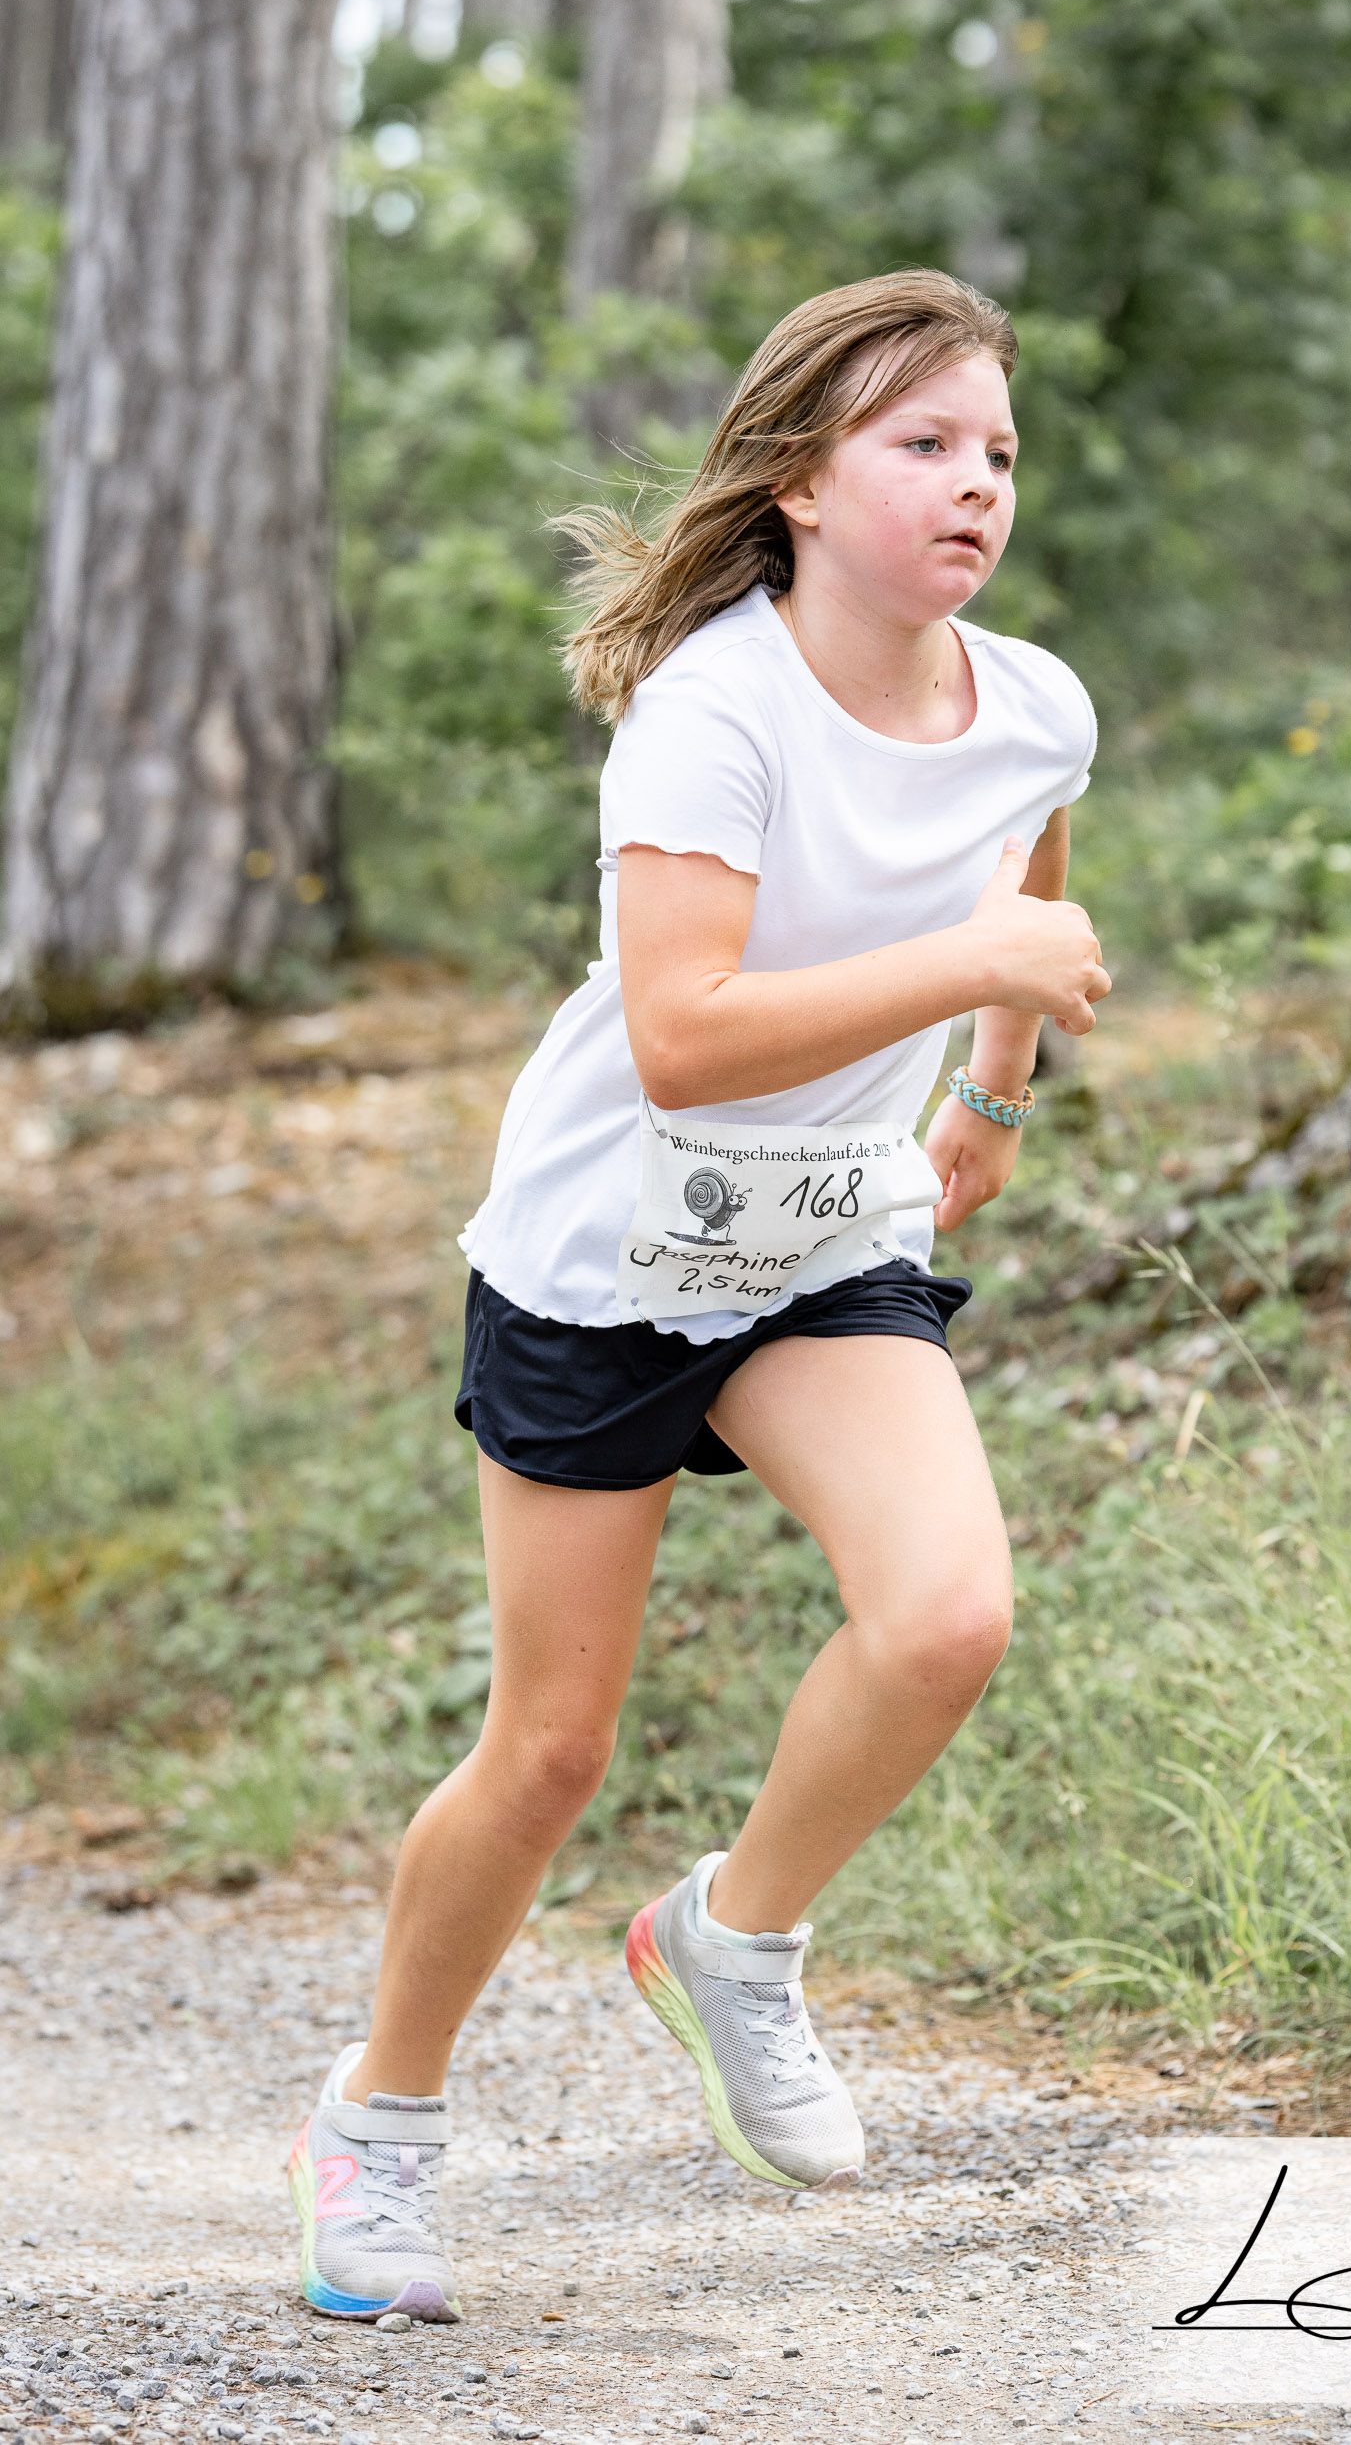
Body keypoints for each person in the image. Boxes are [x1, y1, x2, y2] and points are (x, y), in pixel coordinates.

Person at [286, 268, 1111, 2321]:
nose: (977, 483)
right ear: (803, 481)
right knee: (552, 1749)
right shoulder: (713, 708)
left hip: (821, 1233)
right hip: (606, 1252)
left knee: (947, 1617)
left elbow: (1028, 866)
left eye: (998, 450)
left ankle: (732, 1938)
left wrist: (993, 1091)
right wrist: (979, 979)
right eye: (924, 443)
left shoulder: (1036, 703)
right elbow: (685, 1036)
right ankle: (378, 2120)